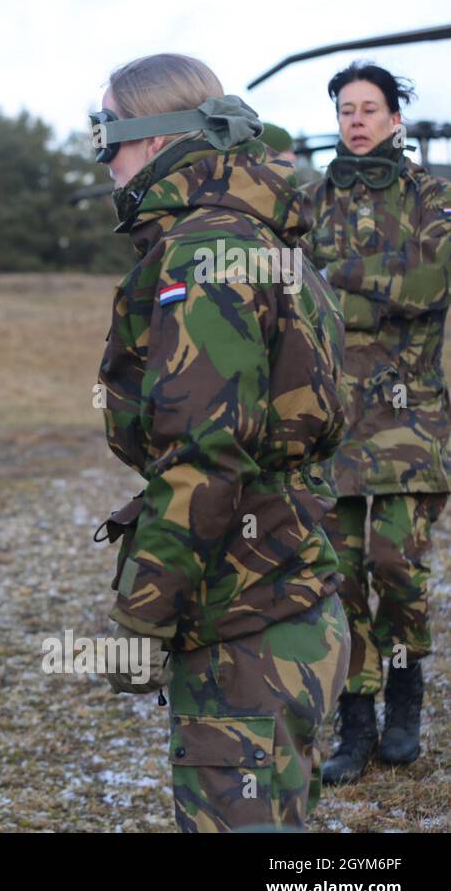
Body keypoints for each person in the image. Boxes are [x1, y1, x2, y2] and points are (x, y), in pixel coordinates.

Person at [91, 54, 350, 832]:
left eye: (108, 137)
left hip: (247, 618)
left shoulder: (205, 255)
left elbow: (207, 455)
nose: (104, 160)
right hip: (290, 597)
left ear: (156, 139)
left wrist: (142, 617)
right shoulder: (266, 241)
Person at [304, 62, 451, 784]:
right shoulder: (313, 199)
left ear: (396, 119)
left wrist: (344, 278)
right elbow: (298, 295)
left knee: (396, 566)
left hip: (409, 423)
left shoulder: (433, 195)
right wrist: (370, 283)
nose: (356, 120)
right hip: (331, 421)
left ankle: (406, 702)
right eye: (345, 110)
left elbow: (431, 285)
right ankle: (354, 725)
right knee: (341, 576)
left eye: (369, 109)